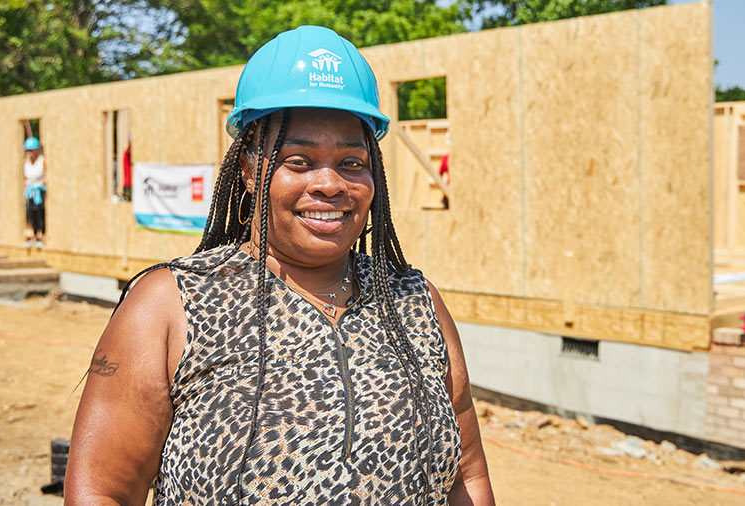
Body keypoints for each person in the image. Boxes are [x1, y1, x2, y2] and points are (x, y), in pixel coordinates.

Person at [66, 25, 494, 505]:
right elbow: (101, 490)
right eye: (298, 160)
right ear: (249, 169)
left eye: (352, 162)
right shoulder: (171, 305)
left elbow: (466, 476)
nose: (330, 184)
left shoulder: (414, 304)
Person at [23, 136, 46, 247]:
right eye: (28, 150)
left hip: (40, 191)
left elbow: (46, 176)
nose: (30, 153)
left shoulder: (42, 161)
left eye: (32, 150)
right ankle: (35, 234)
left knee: (40, 212)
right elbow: (26, 178)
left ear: (37, 150)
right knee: (31, 212)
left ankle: (42, 235)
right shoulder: (26, 164)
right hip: (31, 191)